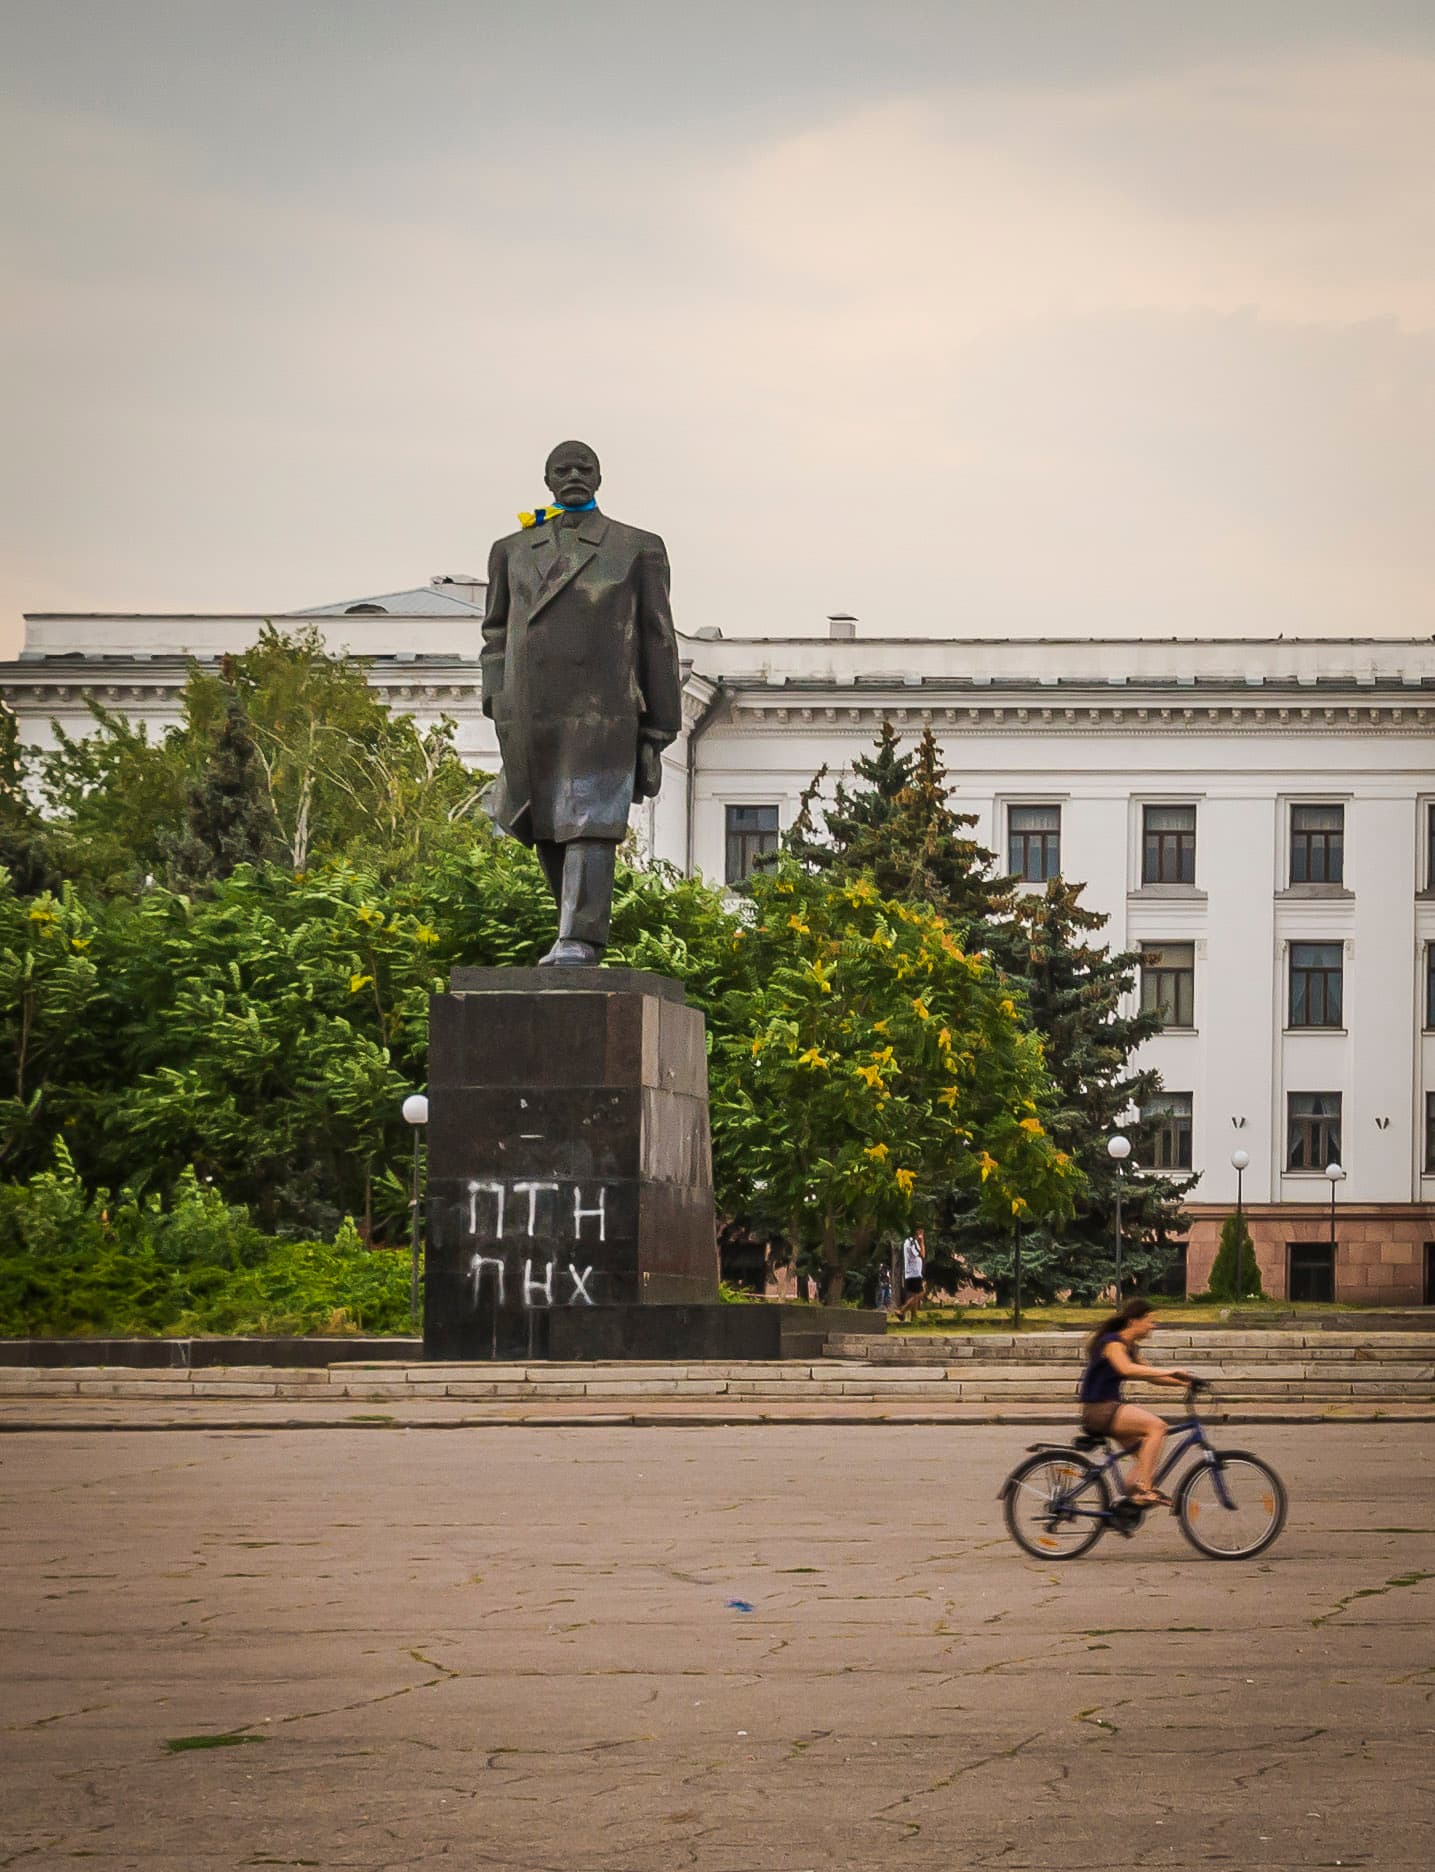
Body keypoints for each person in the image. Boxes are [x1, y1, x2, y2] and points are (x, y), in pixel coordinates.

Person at [480, 440, 682, 965]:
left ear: (599, 476)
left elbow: (658, 637)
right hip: (529, 712)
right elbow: (496, 632)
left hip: (603, 710)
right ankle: (568, 928)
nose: (573, 475)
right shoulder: (511, 551)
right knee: (544, 822)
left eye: (583, 468)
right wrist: (496, 699)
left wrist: (659, 729)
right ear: (547, 480)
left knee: (590, 821)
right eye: (562, 469)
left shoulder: (636, 547)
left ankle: (580, 938)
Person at [1077, 1298, 1196, 1507]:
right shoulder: (1113, 1342)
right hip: (1100, 1409)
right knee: (1157, 1427)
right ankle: (1146, 1489)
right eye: (1149, 1321)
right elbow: (1126, 1369)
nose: (1153, 1326)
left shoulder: (1130, 1347)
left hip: (1108, 1409)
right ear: (1134, 1321)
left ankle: (1128, 1503)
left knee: (1145, 1457)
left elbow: (1151, 1376)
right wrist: (1170, 1370)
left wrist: (1184, 1382)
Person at [897, 1228, 926, 1320]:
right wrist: (922, 1242)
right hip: (914, 1273)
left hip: (912, 1273)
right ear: (917, 1232)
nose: (922, 1233)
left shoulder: (911, 1242)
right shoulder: (911, 1242)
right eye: (921, 1231)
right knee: (920, 1293)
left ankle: (914, 1316)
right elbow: (922, 1254)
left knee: (913, 1295)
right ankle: (902, 1311)